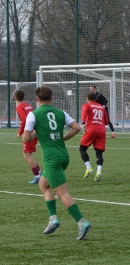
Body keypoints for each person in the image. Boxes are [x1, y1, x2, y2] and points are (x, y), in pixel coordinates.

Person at [23, 85, 91, 240]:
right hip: (63, 155)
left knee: (62, 193)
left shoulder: (33, 115)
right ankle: (53, 219)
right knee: (43, 185)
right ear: (51, 99)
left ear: (36, 99)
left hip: (51, 159)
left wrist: (35, 133)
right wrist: (63, 137)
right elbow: (76, 128)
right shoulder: (61, 112)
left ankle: (82, 222)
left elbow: (26, 138)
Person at [14, 89, 42, 184]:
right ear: (24, 97)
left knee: (27, 155)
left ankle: (37, 176)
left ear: (15, 98)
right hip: (34, 130)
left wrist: (20, 132)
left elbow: (24, 120)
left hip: (29, 131)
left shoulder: (19, 107)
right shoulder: (28, 105)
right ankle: (39, 173)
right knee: (26, 155)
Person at [80, 92, 109, 181]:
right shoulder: (101, 107)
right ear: (96, 99)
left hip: (91, 129)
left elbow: (84, 112)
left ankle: (88, 167)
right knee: (99, 153)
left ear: (87, 99)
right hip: (101, 130)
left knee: (82, 149)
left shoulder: (87, 105)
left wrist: (83, 123)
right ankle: (99, 171)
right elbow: (107, 121)